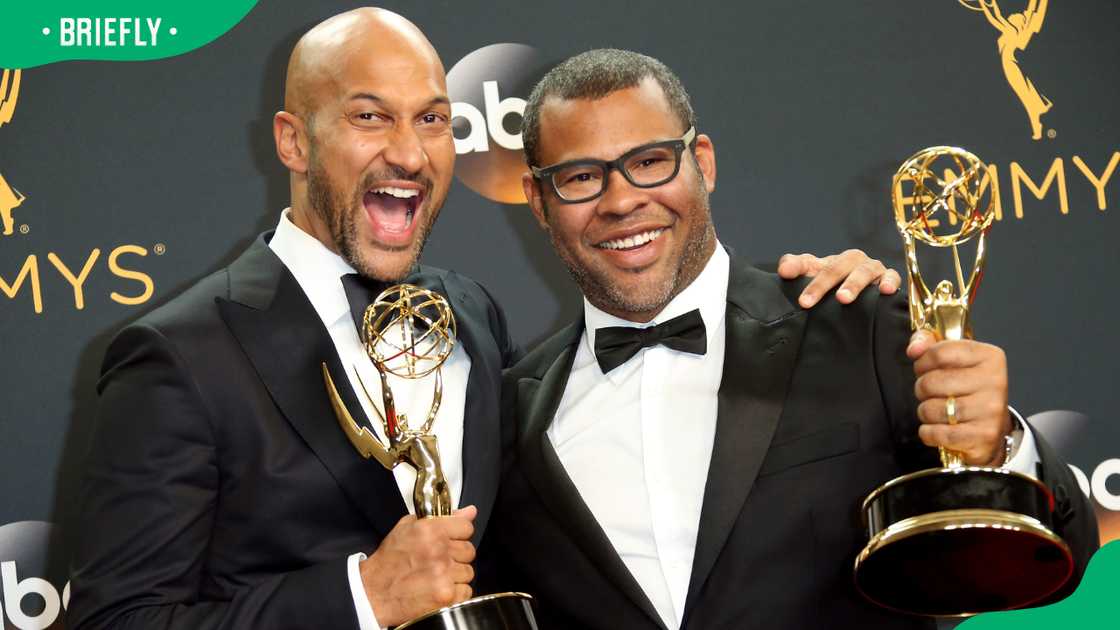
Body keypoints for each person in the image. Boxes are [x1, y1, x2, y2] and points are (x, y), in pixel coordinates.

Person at [65, 9, 894, 630]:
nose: (409, 151)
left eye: (431, 118)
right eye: (369, 116)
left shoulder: (470, 318)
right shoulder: (178, 355)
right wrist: (360, 595)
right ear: (291, 140)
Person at [487, 49, 1098, 630]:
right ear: (538, 201)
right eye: (581, 177)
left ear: (703, 162)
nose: (622, 200)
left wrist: (997, 448)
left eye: (650, 162)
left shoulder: (858, 323)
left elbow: (1059, 557)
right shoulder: (504, 417)